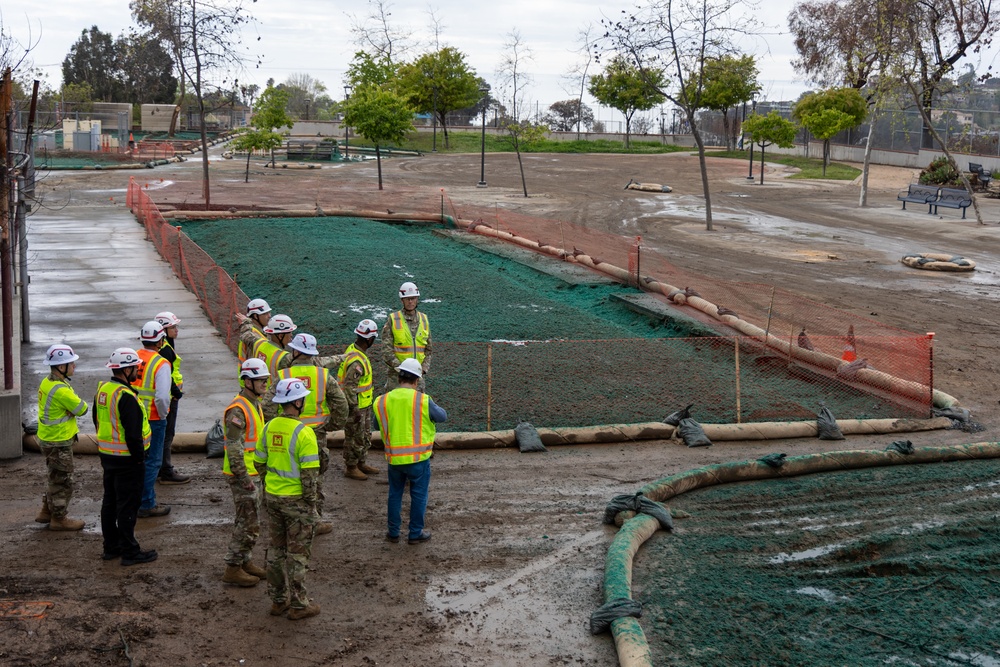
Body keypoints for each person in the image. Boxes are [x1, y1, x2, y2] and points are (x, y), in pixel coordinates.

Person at [264, 332, 348, 534]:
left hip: (286, 433)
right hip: (315, 435)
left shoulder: (282, 376)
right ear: (312, 353)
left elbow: (266, 407)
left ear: (294, 351)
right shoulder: (323, 375)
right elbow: (342, 406)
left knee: (286, 474)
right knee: (314, 478)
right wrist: (329, 426)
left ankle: (286, 516)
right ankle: (314, 520)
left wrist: (276, 425)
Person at [254, 378, 322, 620]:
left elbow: (259, 462)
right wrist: (311, 504)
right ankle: (299, 605)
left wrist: (271, 484)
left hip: (272, 497)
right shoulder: (305, 433)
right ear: (298, 401)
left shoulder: (269, 426)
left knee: (275, 550)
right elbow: (309, 476)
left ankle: (278, 601)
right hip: (297, 502)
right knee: (297, 554)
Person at [373, 358, 447, 545]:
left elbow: (377, 424)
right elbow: (442, 417)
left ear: (399, 378)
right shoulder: (423, 400)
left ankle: (393, 532)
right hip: (418, 459)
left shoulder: (381, 401)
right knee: (419, 495)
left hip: (394, 460)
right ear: (416, 380)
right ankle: (415, 533)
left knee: (395, 494)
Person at [94, 348, 157, 565]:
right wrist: (140, 458)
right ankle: (130, 552)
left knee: (110, 503)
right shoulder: (126, 396)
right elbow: (133, 434)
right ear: (127, 369)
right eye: (136, 368)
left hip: (108, 456)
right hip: (128, 460)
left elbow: (97, 419)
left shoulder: (104, 390)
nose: (137, 371)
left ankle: (111, 547)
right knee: (127, 505)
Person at [221, 358, 270, 587]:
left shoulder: (253, 403)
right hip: (244, 476)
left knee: (252, 520)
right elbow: (234, 445)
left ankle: (245, 561)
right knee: (247, 523)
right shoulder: (239, 408)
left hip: (253, 472)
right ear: (248, 381)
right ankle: (233, 567)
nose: (265, 384)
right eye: (261, 380)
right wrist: (243, 476)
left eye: (266, 379)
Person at [35, 344, 89, 531]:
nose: (74, 366)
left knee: (54, 476)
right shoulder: (62, 390)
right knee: (63, 481)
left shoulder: (47, 382)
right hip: (58, 441)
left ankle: (46, 511)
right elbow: (82, 408)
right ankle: (59, 519)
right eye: (70, 364)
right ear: (60, 367)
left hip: (48, 438)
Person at [133, 321, 172, 518]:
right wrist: (163, 415)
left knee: (136, 461)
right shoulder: (161, 363)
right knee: (152, 461)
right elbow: (162, 397)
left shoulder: (134, 357)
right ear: (161, 340)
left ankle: (135, 499)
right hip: (153, 419)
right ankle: (147, 503)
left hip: (133, 417)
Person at [337, 320, 379, 481]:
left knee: (364, 435)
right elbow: (349, 388)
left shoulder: (354, 351)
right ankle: (351, 466)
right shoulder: (356, 361)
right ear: (369, 339)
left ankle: (361, 462)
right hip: (357, 406)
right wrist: (354, 410)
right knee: (354, 437)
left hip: (364, 404)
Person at [154, 311, 190, 485]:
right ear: (163, 330)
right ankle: (165, 471)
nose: (177, 330)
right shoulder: (166, 350)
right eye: (173, 327)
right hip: (168, 399)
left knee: (162, 435)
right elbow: (166, 376)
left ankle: (160, 468)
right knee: (167, 435)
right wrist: (177, 393)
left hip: (166, 397)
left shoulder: (163, 347)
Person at [381, 281, 432, 392]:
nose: (410, 301)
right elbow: (386, 349)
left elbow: (428, 350)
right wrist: (402, 369)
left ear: (417, 299)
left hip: (417, 377)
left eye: (413, 298)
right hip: (397, 378)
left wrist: (423, 369)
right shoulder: (393, 319)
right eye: (407, 299)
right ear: (402, 300)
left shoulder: (424, 319)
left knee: (416, 407)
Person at [237, 313, 296, 378]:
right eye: (290, 332)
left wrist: (246, 321)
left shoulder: (259, 343)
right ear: (280, 336)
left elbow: (246, 333)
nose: (291, 335)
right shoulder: (284, 358)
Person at [237, 298, 272, 365]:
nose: (269, 316)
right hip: (251, 372)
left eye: (269, 312)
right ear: (256, 316)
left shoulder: (260, 331)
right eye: (265, 313)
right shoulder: (252, 332)